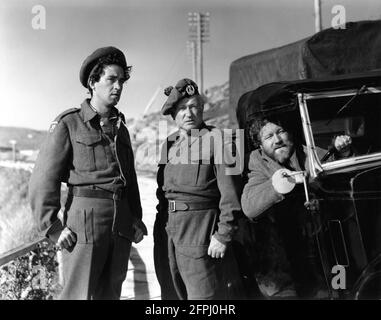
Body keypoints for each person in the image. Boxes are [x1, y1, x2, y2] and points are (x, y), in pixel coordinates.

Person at [29, 46, 147, 300]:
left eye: (122, 81)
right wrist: (53, 227)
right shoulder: (69, 124)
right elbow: (42, 180)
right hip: (85, 223)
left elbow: (130, 181)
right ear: (93, 82)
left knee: (110, 295)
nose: (118, 87)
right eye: (111, 79)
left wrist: (135, 218)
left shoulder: (122, 130)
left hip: (121, 225)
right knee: (78, 295)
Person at [241, 115, 353, 298]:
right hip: (284, 257)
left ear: (291, 133)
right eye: (269, 137)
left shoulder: (309, 152)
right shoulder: (257, 162)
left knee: (341, 288)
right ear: (260, 145)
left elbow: (342, 173)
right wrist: (279, 184)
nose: (277, 140)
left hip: (326, 244)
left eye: (281, 131)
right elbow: (249, 206)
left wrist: (344, 151)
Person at [153, 78, 244, 300]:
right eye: (182, 108)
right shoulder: (169, 144)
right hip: (169, 232)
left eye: (194, 106)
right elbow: (162, 192)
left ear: (202, 109)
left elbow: (231, 195)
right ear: (173, 114)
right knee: (171, 293)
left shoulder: (219, 140)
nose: (189, 113)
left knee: (205, 298)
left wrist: (223, 235)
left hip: (201, 232)